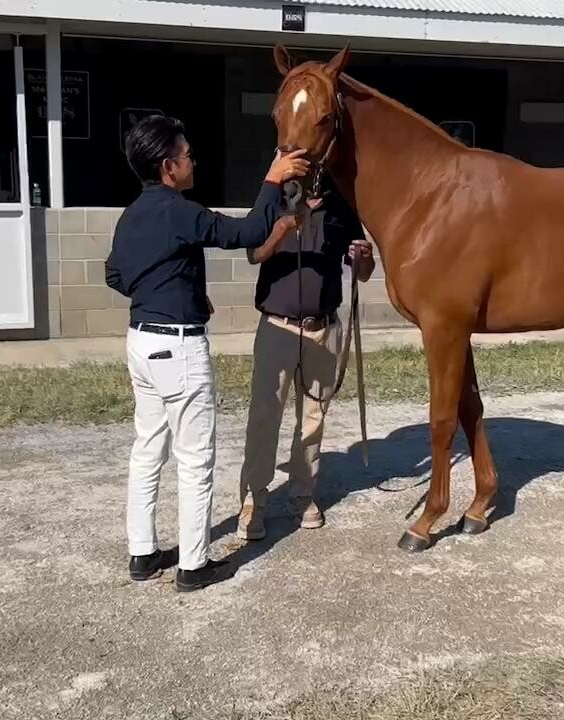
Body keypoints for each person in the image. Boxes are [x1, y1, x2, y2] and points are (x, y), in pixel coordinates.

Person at [105, 115, 308, 592]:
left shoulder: (132, 213)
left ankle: (143, 553)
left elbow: (116, 275)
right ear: (167, 166)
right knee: (195, 458)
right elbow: (250, 232)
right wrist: (273, 177)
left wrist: (181, 293)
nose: (193, 160)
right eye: (187, 153)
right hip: (177, 347)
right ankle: (194, 565)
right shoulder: (179, 210)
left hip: (141, 340)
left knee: (148, 450)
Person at [235, 174, 375, 541]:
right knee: (265, 416)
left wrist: (365, 260)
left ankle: (303, 491)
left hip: (324, 326)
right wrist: (282, 227)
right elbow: (254, 255)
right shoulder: (271, 201)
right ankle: (255, 498)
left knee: (313, 418)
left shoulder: (342, 206)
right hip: (278, 327)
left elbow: (362, 273)